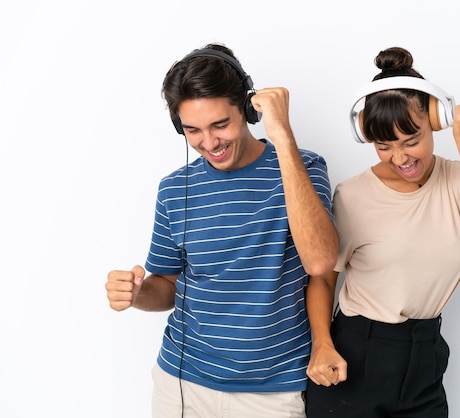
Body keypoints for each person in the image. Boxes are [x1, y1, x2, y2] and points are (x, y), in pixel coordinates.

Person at [104, 43, 338, 418]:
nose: (209, 143)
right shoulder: (173, 189)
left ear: (247, 109)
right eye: (192, 130)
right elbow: (166, 286)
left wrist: (283, 136)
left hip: (272, 390)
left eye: (220, 124)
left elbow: (321, 262)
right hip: (181, 382)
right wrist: (137, 293)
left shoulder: (303, 167)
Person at [305, 46, 460, 417]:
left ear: (436, 120)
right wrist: (321, 343)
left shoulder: (459, 180)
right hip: (357, 354)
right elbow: (323, 278)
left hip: (425, 356)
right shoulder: (353, 196)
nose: (400, 158)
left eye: (412, 141)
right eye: (384, 147)